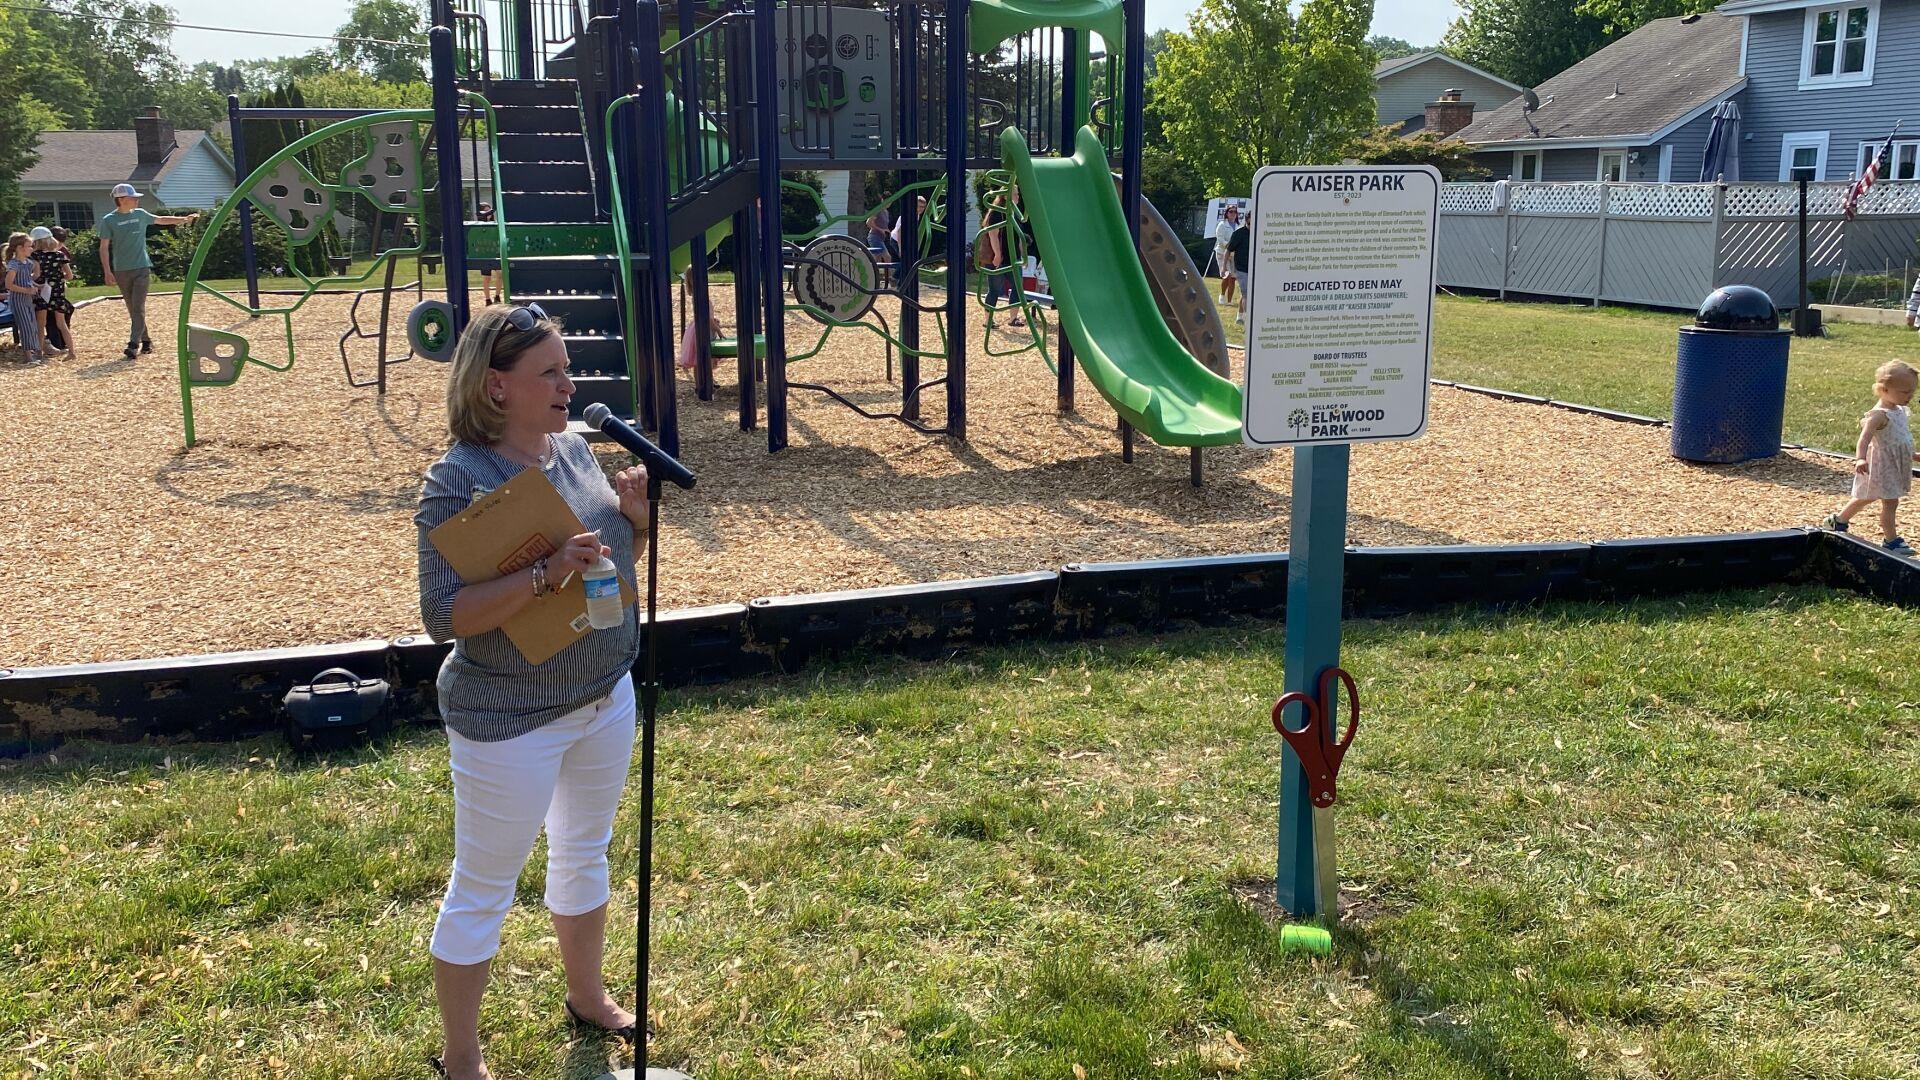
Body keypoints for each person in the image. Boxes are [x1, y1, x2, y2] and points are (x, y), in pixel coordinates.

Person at [414, 303, 652, 1080]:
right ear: (494, 387)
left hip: (602, 694)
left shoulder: (574, 447)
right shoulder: (459, 478)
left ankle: (587, 996)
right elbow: (444, 615)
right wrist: (544, 571)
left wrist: (637, 525)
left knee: (586, 852)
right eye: (548, 372)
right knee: (483, 887)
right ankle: (462, 1058)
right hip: (510, 719)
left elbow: (609, 560)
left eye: (566, 369)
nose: (567, 384)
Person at [1823, 360, 1920, 553]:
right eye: (1904, 391)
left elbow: (1900, 438)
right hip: (1881, 465)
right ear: (1883, 389)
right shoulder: (1878, 415)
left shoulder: (1899, 410)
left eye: (1912, 391)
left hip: (1895, 464)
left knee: (1866, 497)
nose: (1909, 396)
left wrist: (1912, 454)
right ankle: (1891, 541)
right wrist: (1860, 458)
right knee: (1890, 502)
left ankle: (1838, 520)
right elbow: (1864, 439)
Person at [98, 183, 199, 360]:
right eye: (133, 198)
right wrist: (107, 271)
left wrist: (183, 219)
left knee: (138, 306)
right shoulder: (109, 220)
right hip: (121, 270)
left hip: (142, 267)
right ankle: (146, 341)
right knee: (132, 308)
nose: (137, 200)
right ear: (121, 200)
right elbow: (104, 247)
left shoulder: (141, 214)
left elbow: (161, 219)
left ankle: (133, 344)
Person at [978, 186, 1025, 328]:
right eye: (1015, 194)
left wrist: (1022, 255)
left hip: (1014, 258)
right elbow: (993, 234)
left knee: (1018, 288)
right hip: (999, 258)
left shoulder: (1015, 213)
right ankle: (988, 320)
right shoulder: (997, 212)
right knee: (994, 289)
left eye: (1018, 194)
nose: (1018, 197)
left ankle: (1013, 318)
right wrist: (998, 255)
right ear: (1005, 196)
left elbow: (1019, 236)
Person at [30, 227, 74, 359]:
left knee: (41, 323)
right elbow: (70, 275)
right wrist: (58, 280)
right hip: (58, 293)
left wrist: (28, 279)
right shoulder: (60, 255)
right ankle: (71, 352)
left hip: (43, 291)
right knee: (61, 323)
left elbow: (36, 274)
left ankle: (39, 352)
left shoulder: (36, 255)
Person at [4, 233, 44, 364]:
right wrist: (27, 290)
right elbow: (9, 285)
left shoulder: (28, 263)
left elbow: (26, 280)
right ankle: (28, 356)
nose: (31, 249)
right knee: (25, 325)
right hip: (18, 299)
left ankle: (33, 351)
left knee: (32, 324)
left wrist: (38, 286)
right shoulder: (14, 264)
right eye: (29, 246)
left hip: (27, 299)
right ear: (20, 247)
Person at [1214, 203, 1241, 305]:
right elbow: (1220, 240)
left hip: (1234, 255)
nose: (1233, 214)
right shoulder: (1222, 225)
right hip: (1222, 253)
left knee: (1233, 278)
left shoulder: (1239, 226)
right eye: (1231, 211)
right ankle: (1222, 294)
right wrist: (1230, 246)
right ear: (1226, 213)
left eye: (1235, 212)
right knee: (1227, 275)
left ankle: (1229, 301)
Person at [1227, 217, 1251, 325]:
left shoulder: (1261, 232)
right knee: (1246, 294)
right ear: (1246, 221)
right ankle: (1248, 318)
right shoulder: (1238, 234)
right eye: (1250, 223)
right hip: (1241, 269)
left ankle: (1240, 315)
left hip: (1255, 269)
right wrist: (1223, 267)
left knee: (1248, 294)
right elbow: (1228, 250)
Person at [475, 203, 499, 305]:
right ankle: (487, 299)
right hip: (484, 253)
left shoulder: (495, 224)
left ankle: (497, 296)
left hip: (495, 252)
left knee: (500, 275)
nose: (488, 214)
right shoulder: (479, 226)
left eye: (489, 211)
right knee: (487, 278)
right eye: (486, 211)